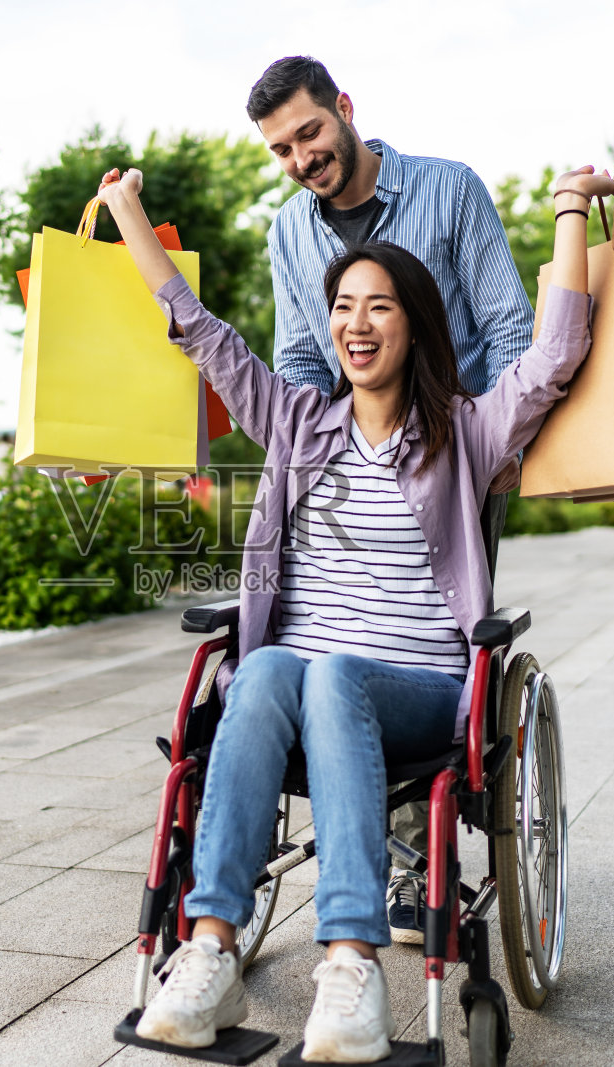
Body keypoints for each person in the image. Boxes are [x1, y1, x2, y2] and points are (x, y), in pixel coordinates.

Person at [93, 159, 614, 1061]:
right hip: (295, 687)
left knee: (333, 673)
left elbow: (556, 354)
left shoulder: (468, 432)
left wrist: (570, 206)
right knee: (263, 665)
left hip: (417, 688)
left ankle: (352, 963)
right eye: (342, 306)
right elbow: (197, 329)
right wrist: (126, 212)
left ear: (414, 323)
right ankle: (210, 951)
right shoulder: (298, 421)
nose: (356, 323)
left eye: (379, 306)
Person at [247, 57, 537, 940]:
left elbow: (510, 328)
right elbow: (301, 356)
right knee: (319, 628)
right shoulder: (288, 233)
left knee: (412, 632)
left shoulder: (448, 191)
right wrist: (316, 450)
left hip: (452, 454)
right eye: (281, 149)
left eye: (309, 132)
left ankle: (410, 861)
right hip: (345, 455)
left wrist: (492, 443)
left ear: (344, 109)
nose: (301, 158)